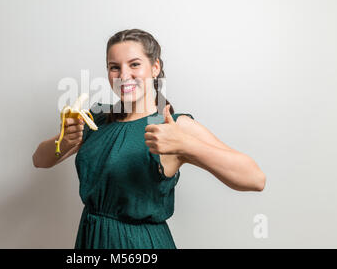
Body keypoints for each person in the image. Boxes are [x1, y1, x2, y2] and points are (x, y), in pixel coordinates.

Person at [32, 28, 266, 249]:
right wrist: (63, 142)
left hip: (140, 244)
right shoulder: (96, 118)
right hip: (91, 237)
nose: (124, 75)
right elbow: (40, 160)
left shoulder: (172, 125)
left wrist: (186, 145)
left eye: (134, 64)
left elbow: (255, 179)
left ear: (155, 67)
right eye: (114, 67)